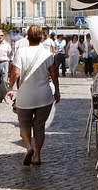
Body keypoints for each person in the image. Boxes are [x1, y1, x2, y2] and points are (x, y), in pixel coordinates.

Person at [7, 24, 60, 166]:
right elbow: (54, 74)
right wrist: (58, 91)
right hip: (44, 95)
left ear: (27, 37)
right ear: (41, 37)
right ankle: (37, 155)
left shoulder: (21, 52)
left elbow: (16, 73)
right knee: (40, 126)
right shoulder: (48, 54)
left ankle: (29, 147)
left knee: (24, 124)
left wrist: (10, 87)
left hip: (25, 95)